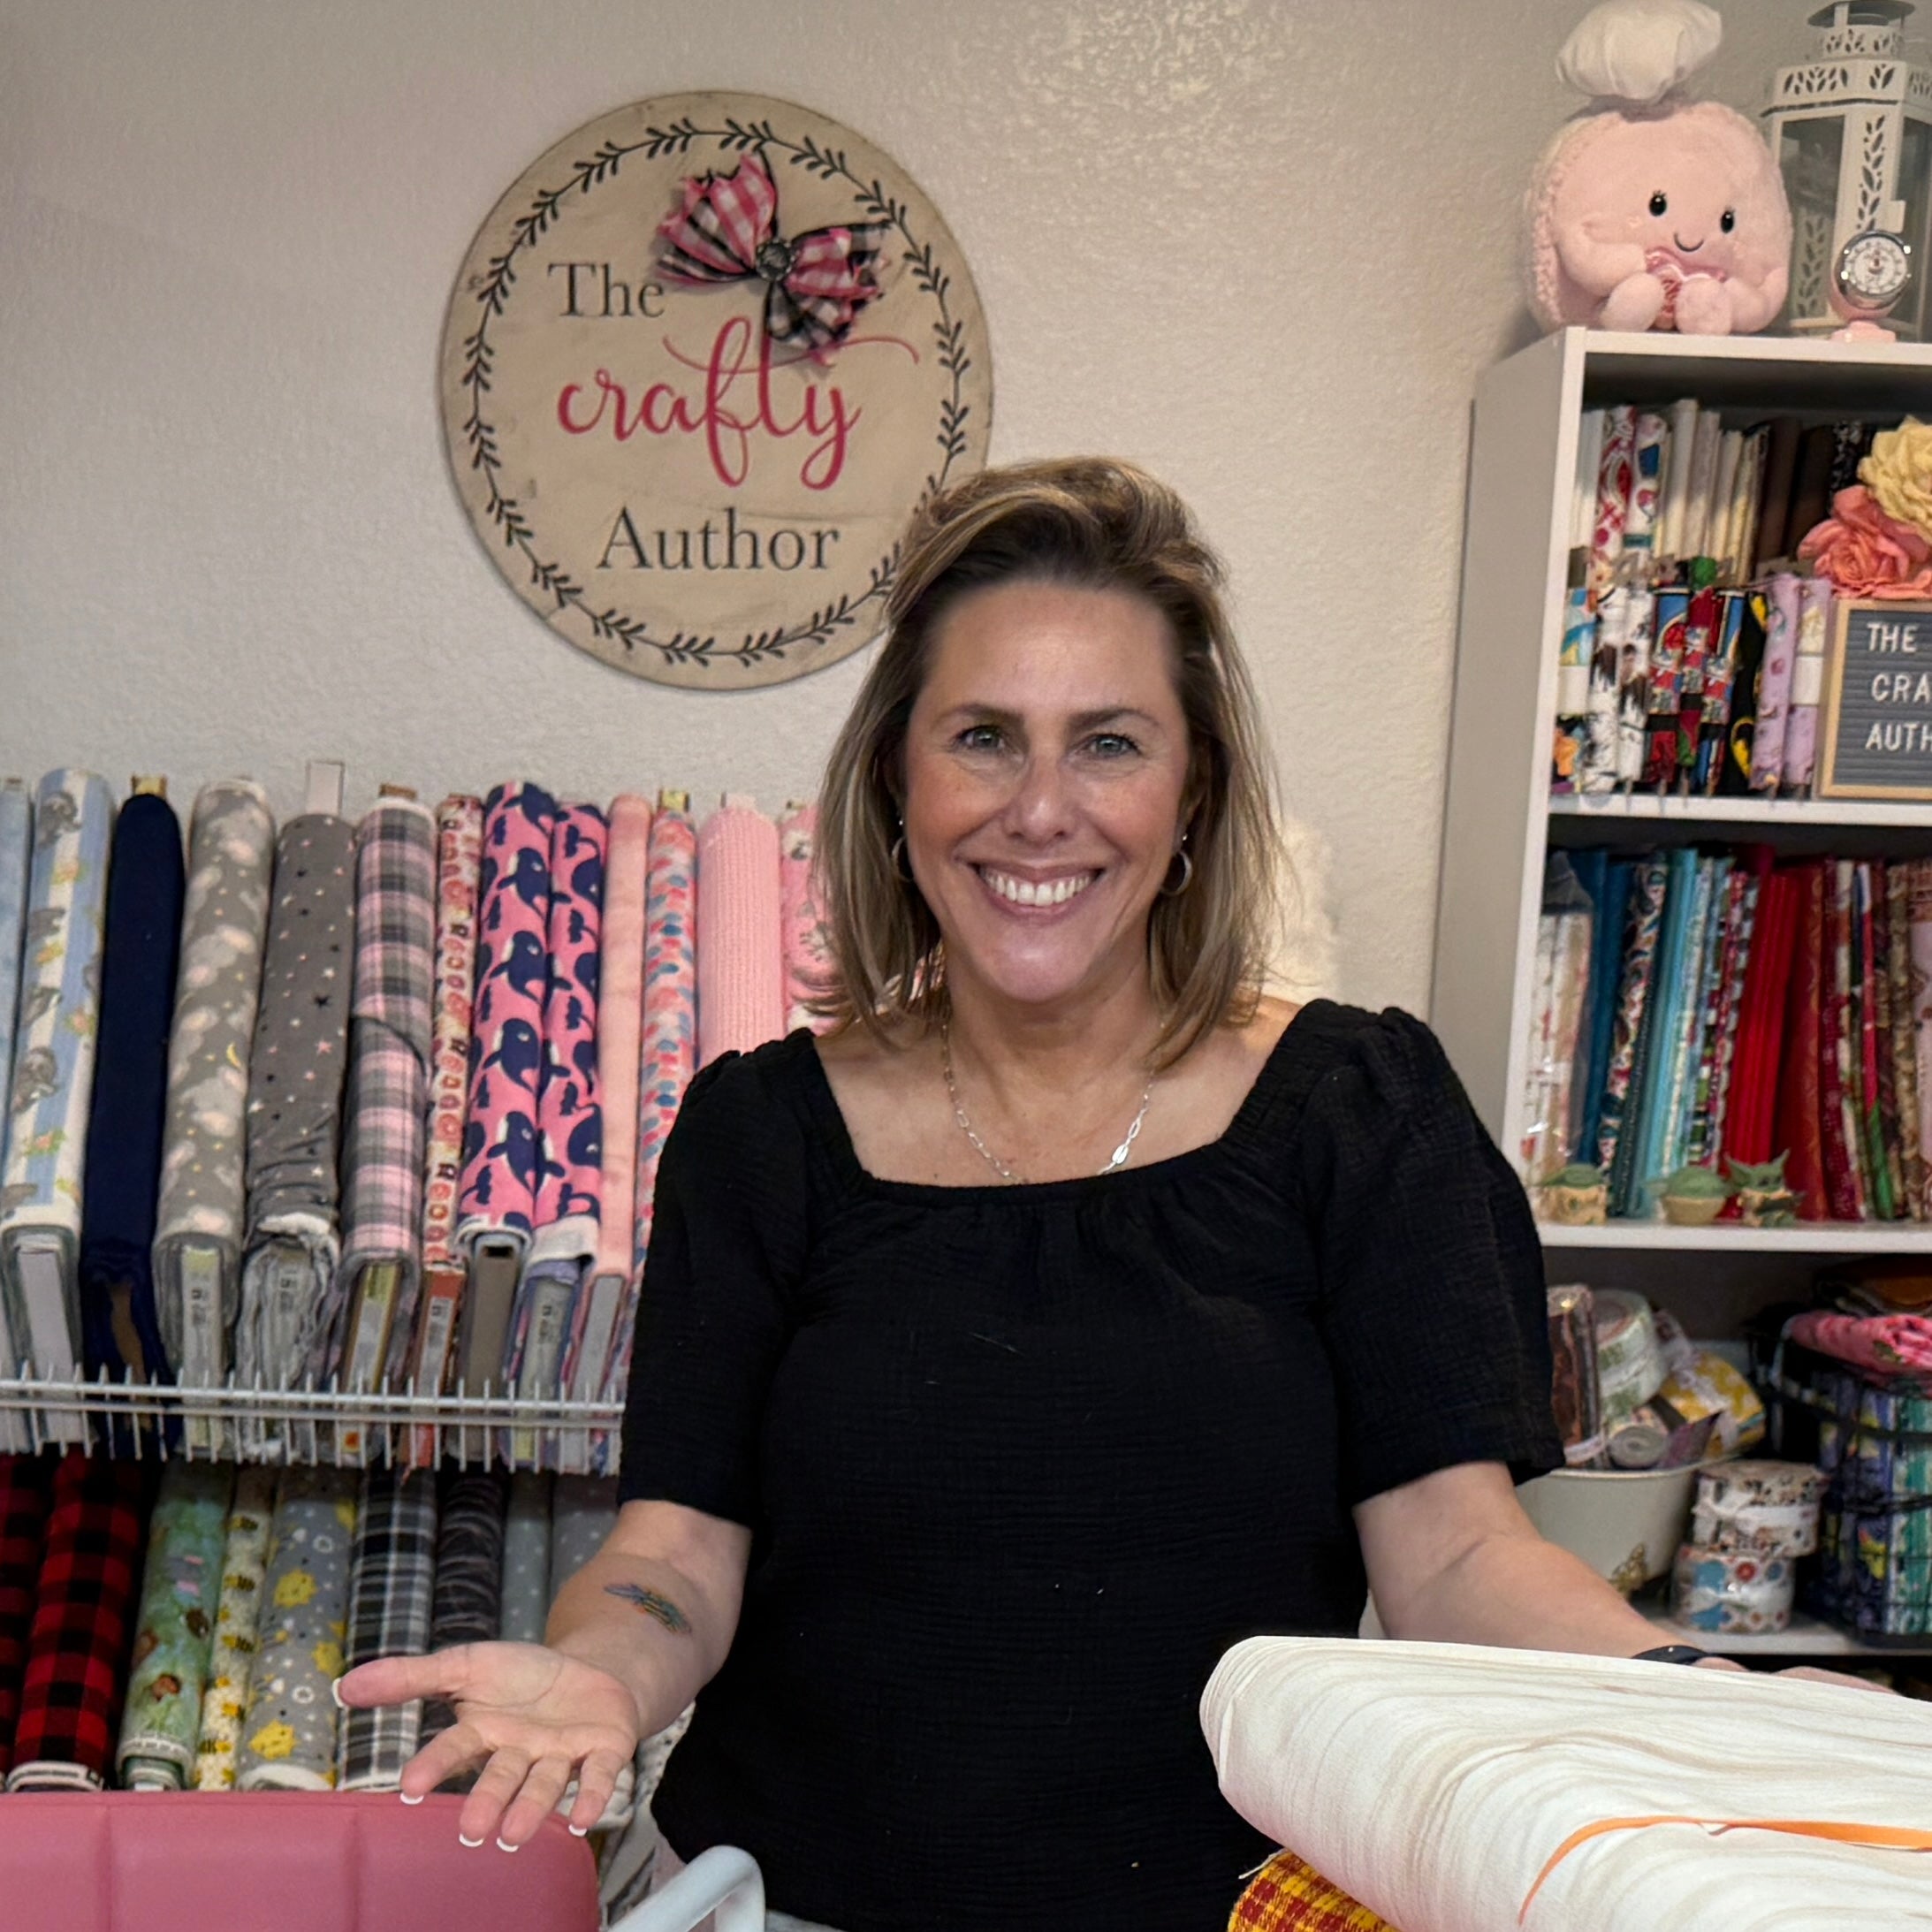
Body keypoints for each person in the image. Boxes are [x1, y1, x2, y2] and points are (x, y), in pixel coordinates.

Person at [340, 459, 1710, 1930]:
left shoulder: (1358, 1116)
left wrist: (1697, 1699)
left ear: (1192, 793)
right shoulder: (761, 1134)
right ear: (895, 782)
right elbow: (677, 1550)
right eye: (983, 737)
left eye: (1108, 743)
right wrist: (602, 1670)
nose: (1041, 808)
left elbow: (1454, 1557)